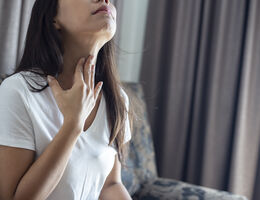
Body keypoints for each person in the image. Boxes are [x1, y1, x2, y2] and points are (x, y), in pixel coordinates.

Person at [0, 0, 134, 199]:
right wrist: (73, 125)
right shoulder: (19, 91)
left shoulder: (117, 99)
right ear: (53, 17)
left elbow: (110, 184)